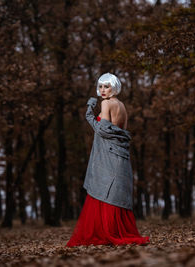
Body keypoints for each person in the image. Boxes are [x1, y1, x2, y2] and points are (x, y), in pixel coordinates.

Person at [66, 73, 150, 247]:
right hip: (121, 157)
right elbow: (114, 130)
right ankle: (115, 232)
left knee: (104, 190)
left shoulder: (106, 104)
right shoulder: (122, 105)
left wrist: (89, 113)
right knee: (114, 193)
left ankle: (106, 234)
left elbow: (103, 130)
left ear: (114, 87)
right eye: (101, 86)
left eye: (107, 86)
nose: (103, 90)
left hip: (109, 157)